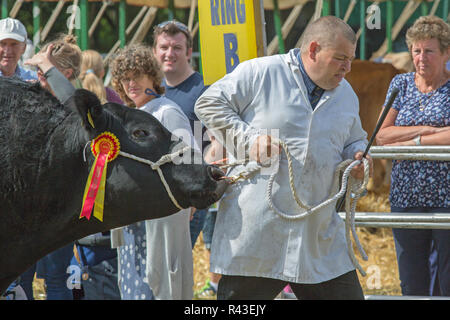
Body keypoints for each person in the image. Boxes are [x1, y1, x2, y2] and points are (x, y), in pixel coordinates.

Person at [195, 16, 373, 300]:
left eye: (350, 59)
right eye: (341, 58)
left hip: (318, 240)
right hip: (258, 238)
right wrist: (249, 140)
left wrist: (357, 157)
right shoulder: (260, 72)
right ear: (313, 49)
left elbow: (355, 139)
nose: (348, 68)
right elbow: (208, 103)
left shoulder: (346, 94)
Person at [109, 44, 195, 300]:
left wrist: (187, 205)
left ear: (152, 76)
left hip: (159, 219)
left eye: (136, 76)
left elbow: (189, 162)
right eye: (125, 78)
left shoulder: (167, 112)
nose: (130, 83)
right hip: (134, 222)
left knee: (159, 287)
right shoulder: (132, 114)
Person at [376, 16, 449, 297]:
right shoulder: (401, 84)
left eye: (429, 51)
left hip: (446, 198)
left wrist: (414, 139)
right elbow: (381, 135)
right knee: (411, 279)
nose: (421, 58)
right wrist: (429, 130)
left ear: (446, 53)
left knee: (447, 280)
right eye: (416, 51)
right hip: (406, 197)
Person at [16, 34, 83, 300]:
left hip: (58, 210)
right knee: (21, 279)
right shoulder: (29, 96)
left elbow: (72, 105)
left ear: (64, 73)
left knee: (57, 279)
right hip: (25, 208)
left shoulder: (76, 103)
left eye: (44, 70)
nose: (37, 74)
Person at [152, 20, 209, 249]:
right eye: (164, 47)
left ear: (189, 52)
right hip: (155, 194)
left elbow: (213, 145)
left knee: (176, 269)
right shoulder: (150, 90)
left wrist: (197, 193)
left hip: (187, 197)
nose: (169, 53)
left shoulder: (204, 90)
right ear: (154, 51)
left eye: (176, 48)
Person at [1, 17, 36, 300]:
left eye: (14, 44)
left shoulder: (33, 84)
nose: (7, 50)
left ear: (23, 48)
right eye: (2, 43)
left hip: (25, 188)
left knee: (24, 264)